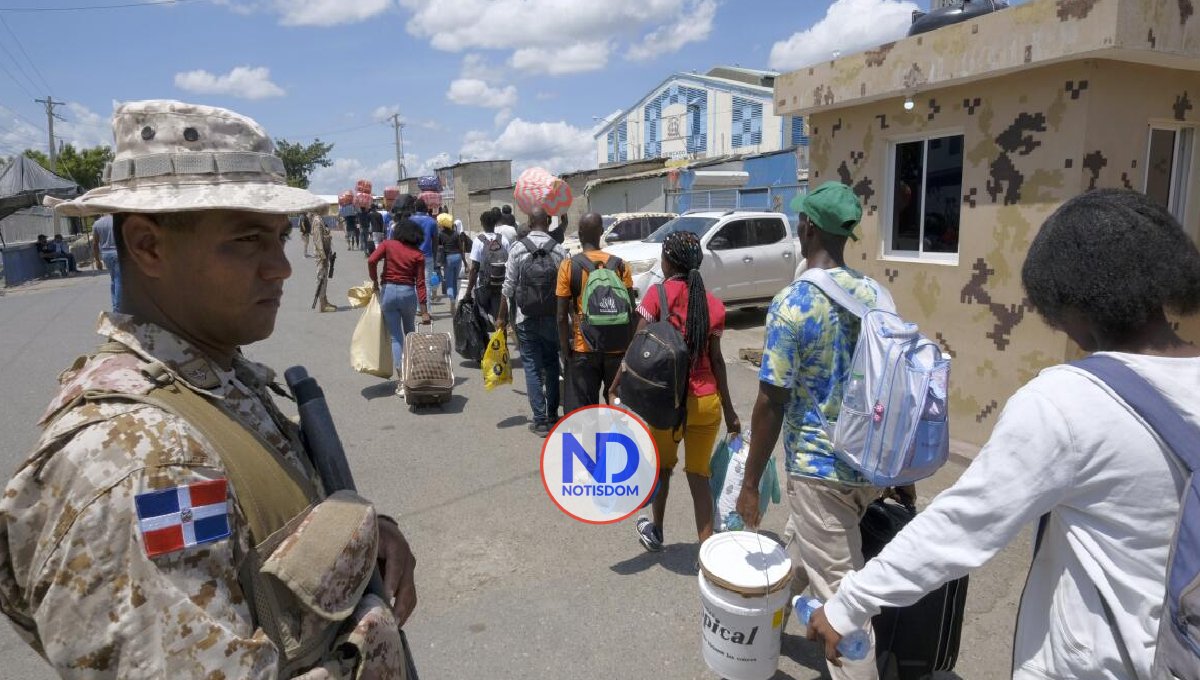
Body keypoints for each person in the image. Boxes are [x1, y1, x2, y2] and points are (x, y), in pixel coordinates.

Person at [0, 100, 415, 678]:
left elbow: (260, 534)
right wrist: (365, 646)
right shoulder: (144, 463)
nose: (281, 267)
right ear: (147, 246)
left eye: (280, 235)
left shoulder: (208, 378)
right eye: (247, 240)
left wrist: (365, 539)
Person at [767, 189, 1200, 679]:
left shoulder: (1069, 402)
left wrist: (850, 604)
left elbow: (963, 524)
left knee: (836, 588)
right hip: (1180, 656)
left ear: (1071, 297)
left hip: (1096, 666)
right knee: (804, 546)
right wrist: (900, 467)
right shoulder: (875, 293)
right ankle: (770, 610)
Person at [731, 182, 889, 680]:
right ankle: (769, 625)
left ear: (808, 228)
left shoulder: (793, 303)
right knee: (804, 549)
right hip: (871, 462)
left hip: (821, 471)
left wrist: (750, 483)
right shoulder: (876, 295)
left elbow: (769, 402)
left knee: (846, 607)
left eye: (800, 220)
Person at [610, 230, 740, 548]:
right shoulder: (713, 304)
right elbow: (718, 362)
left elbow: (636, 348)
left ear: (667, 262)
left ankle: (657, 530)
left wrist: (615, 385)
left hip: (666, 403)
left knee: (663, 469)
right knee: (699, 475)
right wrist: (730, 412)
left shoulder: (657, 296)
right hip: (706, 401)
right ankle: (706, 548)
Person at [496, 207, 568, 437]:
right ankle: (553, 415)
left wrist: (501, 317)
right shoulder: (559, 250)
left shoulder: (518, 248)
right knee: (552, 365)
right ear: (548, 221)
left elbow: (507, 288)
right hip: (553, 317)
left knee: (532, 367)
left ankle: (539, 421)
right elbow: (566, 289)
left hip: (525, 318)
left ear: (528, 221)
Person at [557, 212, 634, 412]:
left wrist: (566, 348)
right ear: (601, 232)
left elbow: (560, 316)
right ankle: (614, 441)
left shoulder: (569, 266)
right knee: (616, 406)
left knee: (584, 411)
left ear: (580, 235)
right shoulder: (620, 266)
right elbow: (631, 310)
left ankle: (590, 442)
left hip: (584, 348)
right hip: (616, 347)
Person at [369, 218, 432, 397]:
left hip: (388, 292)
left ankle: (402, 382)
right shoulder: (418, 254)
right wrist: (425, 311)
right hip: (408, 294)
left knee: (396, 338)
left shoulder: (387, 245)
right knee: (410, 333)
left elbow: (372, 260)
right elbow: (420, 283)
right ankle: (414, 374)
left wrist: (374, 281)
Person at [465, 208, 511, 328]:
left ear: (482, 223)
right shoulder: (503, 239)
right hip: (500, 284)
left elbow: (474, 268)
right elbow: (509, 262)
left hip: (483, 286)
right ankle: (502, 344)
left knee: (481, 319)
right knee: (499, 318)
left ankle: (485, 344)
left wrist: (468, 292)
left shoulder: (478, 241)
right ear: (495, 223)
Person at [436, 212, 467, 311]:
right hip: (458, 257)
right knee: (455, 280)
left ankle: (452, 299)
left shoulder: (440, 235)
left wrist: (438, 262)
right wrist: (465, 263)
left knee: (449, 281)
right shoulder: (456, 234)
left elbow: (439, 249)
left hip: (448, 258)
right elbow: (461, 249)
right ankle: (455, 299)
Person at [411, 199, 439, 303]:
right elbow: (435, 241)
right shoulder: (432, 222)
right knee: (427, 283)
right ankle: (427, 309)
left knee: (415, 282)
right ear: (425, 208)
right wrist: (435, 256)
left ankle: (418, 307)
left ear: (415, 208)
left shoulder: (410, 220)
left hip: (413, 255)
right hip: (428, 255)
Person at [91, 214, 120, 310]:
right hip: (118, 252)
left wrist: (97, 260)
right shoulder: (118, 220)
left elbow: (95, 243)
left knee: (113, 279)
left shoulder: (97, 223)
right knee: (119, 280)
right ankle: (118, 308)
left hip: (106, 254)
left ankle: (115, 305)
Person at [312, 210, 336, 313]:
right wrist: (323, 255)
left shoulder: (320, 219)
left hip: (325, 253)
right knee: (321, 278)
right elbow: (318, 240)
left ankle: (325, 301)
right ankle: (322, 305)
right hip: (321, 255)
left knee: (324, 279)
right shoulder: (317, 221)